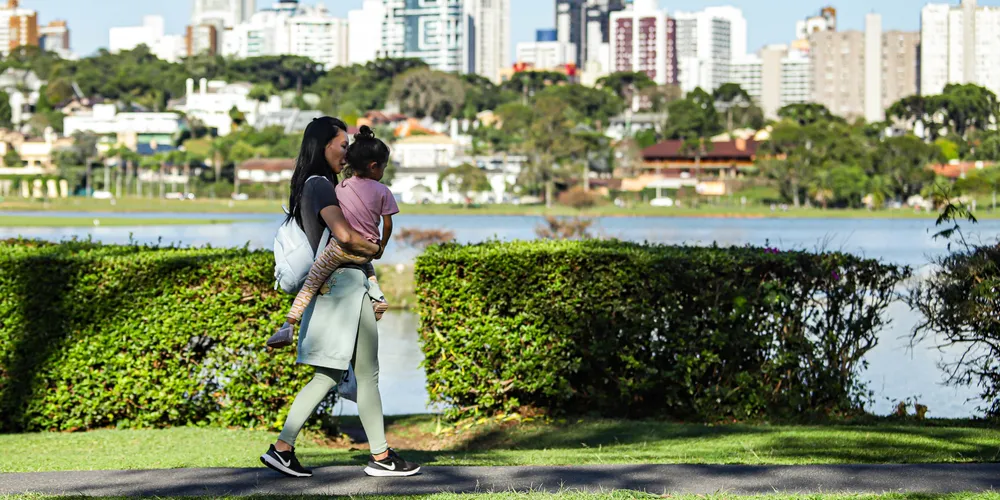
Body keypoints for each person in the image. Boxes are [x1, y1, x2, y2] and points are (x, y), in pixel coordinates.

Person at [259, 117, 420, 478]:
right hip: (345, 285)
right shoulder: (319, 185)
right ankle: (374, 457)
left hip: (342, 285)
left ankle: (288, 449)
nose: (347, 152)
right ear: (323, 146)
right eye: (342, 144)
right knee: (355, 374)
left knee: (341, 374)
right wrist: (374, 248)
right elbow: (346, 235)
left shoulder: (330, 184)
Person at [270, 125, 397, 345]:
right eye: (343, 145)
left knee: (312, 282)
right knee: (368, 268)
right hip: (367, 248)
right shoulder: (383, 191)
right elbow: (387, 224)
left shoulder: (338, 188)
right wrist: (380, 246)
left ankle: (289, 323)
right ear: (375, 166)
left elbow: (344, 236)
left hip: (340, 251)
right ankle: (378, 297)